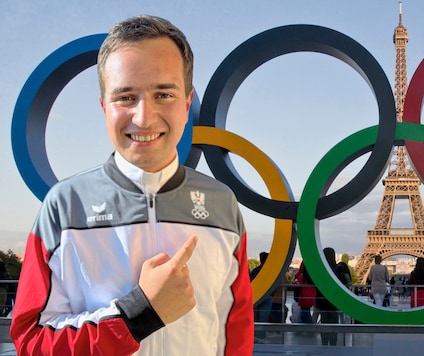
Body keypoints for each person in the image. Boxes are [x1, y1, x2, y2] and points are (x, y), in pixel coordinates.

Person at [10, 15, 253, 355]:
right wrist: (137, 315)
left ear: (186, 104)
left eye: (163, 94)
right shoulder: (63, 207)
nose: (144, 117)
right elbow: (31, 342)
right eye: (125, 97)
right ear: (104, 107)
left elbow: (235, 332)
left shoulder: (222, 205)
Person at [250, 252, 272, 342]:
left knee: (255, 318)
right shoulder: (270, 271)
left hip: (256, 296)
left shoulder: (255, 270)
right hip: (267, 296)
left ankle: (254, 337)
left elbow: (250, 283)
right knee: (263, 318)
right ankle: (261, 337)